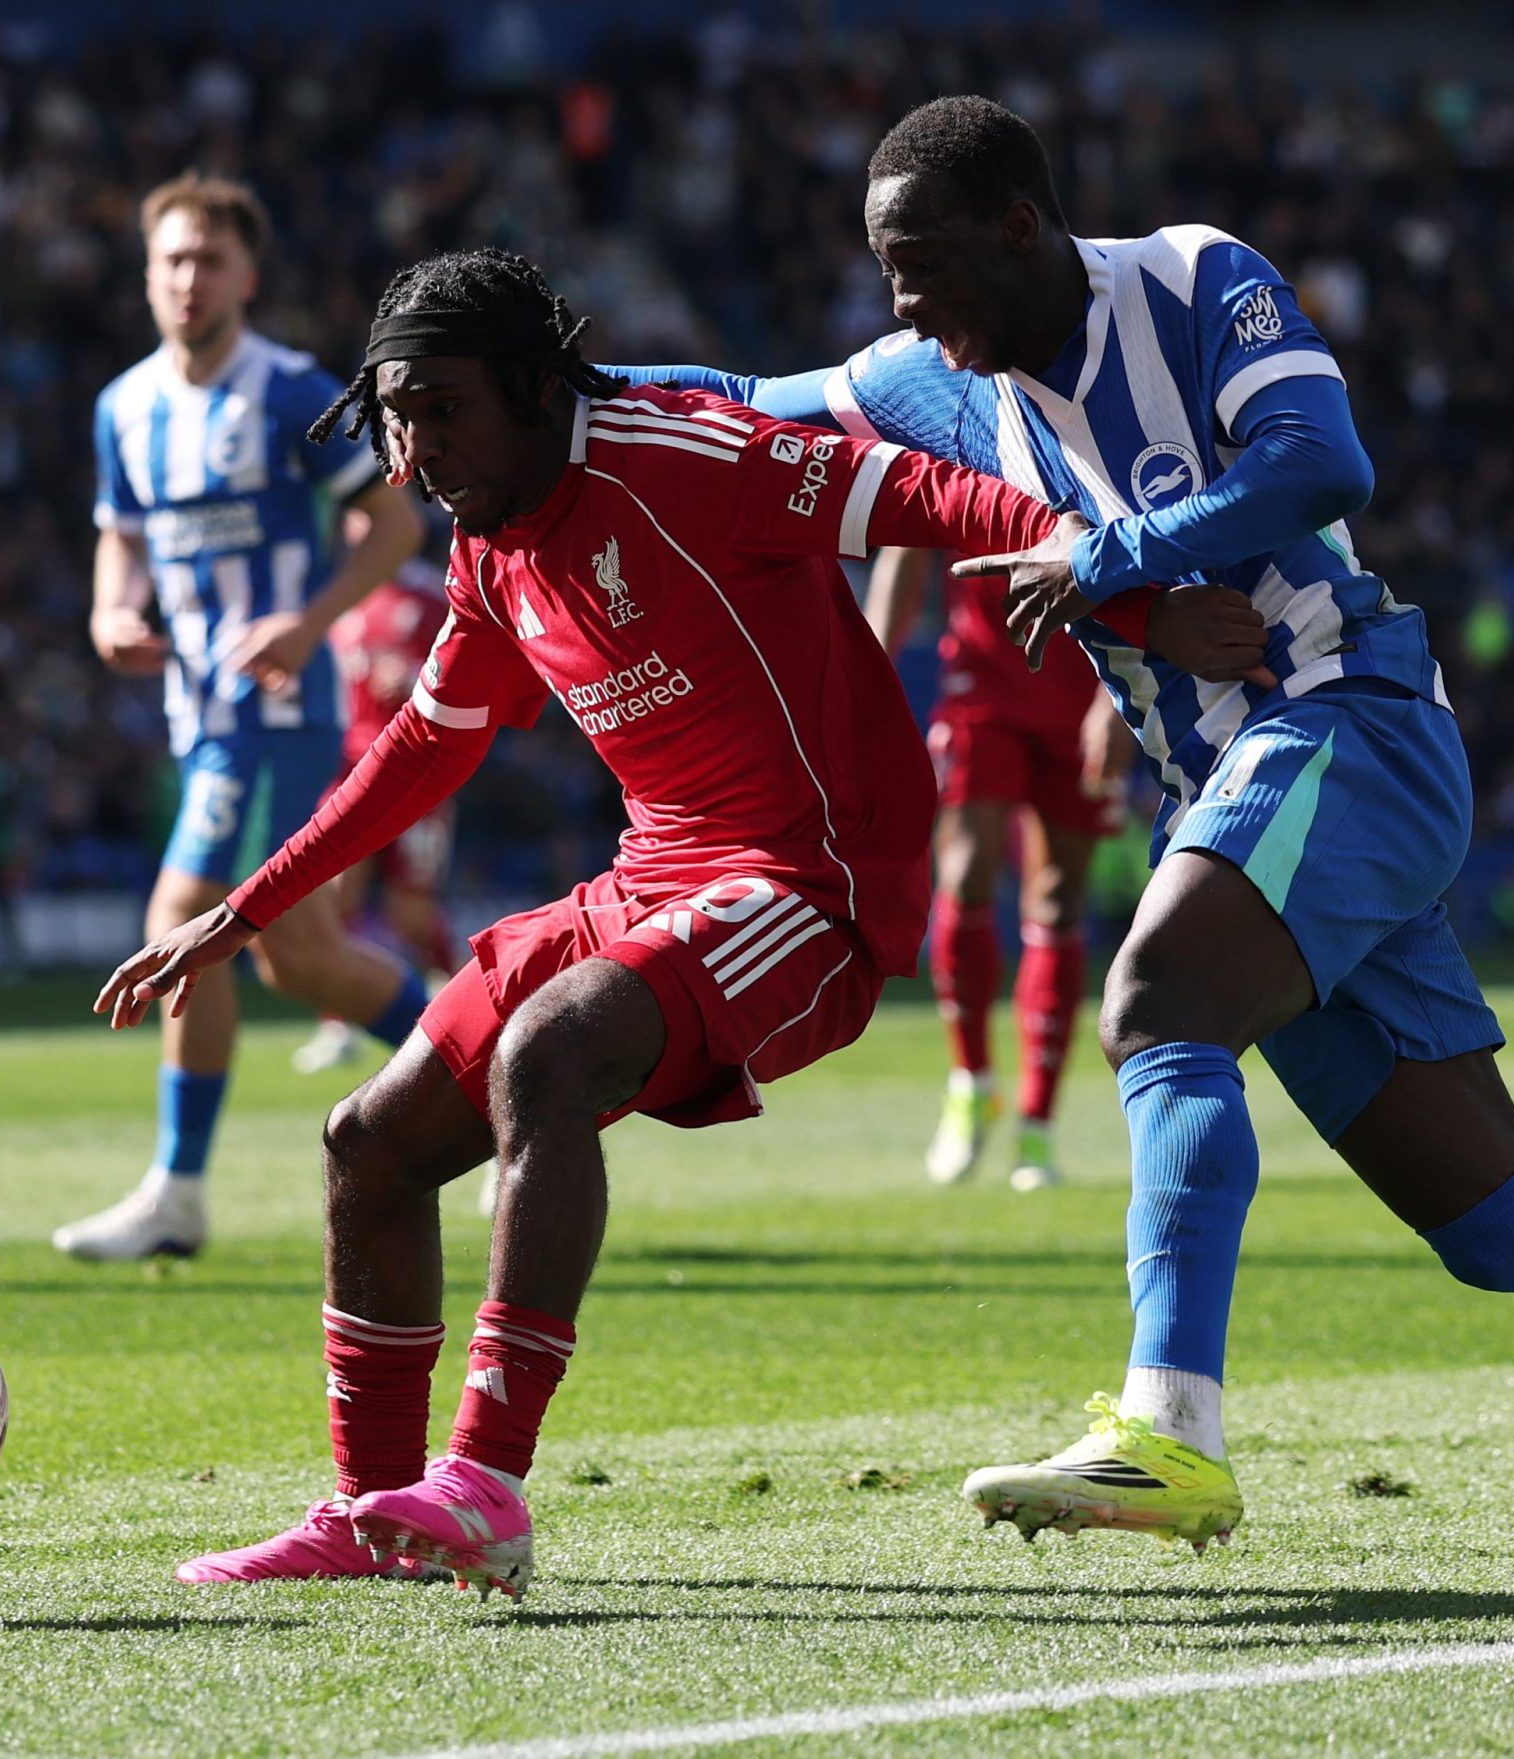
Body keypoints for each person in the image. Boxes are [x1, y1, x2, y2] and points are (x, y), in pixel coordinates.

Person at [616, 96, 1514, 1545]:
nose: (903, 301)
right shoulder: (935, 378)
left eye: (918, 262)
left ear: (1019, 225)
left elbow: (1319, 464)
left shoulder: (1191, 277)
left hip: (1351, 723)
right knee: (1503, 1230)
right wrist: (557, 379)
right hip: (1245, 788)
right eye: (884, 271)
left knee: (1161, 993)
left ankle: (1168, 1427)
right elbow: (737, 394)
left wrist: (1124, 550)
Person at [94, 246, 1076, 1598]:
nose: (415, 449)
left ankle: (484, 1482)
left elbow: (915, 487)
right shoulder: (489, 544)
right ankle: (375, 1508)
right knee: (368, 1143)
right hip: (656, 871)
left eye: (442, 409)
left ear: (531, 388)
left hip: (813, 879)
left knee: (548, 1053)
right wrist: (241, 910)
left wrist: (1091, 548)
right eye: (397, 417)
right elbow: (423, 748)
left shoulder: (684, 454)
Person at [54, 175, 429, 1263]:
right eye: (171, 259)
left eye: (208, 261)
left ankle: (175, 1190)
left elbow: (393, 521)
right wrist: (106, 608)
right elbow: (118, 531)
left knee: (186, 915)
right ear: (147, 274)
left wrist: (309, 626)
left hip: (277, 712)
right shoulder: (123, 406)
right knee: (297, 959)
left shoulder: (291, 390)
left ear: (245, 278)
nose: (187, 279)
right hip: (197, 711)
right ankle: (496, 1079)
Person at [864, 544, 1124, 1189]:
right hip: (982, 683)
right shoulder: (957, 440)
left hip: (1083, 687)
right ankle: (972, 1081)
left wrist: (1118, 693)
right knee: (967, 870)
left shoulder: (1092, 446)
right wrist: (866, 673)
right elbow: (905, 550)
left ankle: (1037, 1125)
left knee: (1059, 899)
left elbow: (1142, 552)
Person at [291, 541, 466, 1079]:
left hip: (413, 768)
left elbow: (466, 664)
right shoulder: (336, 597)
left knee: (408, 914)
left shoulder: (429, 594)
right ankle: (337, 1025)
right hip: (347, 771)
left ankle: (472, 999)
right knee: (333, 892)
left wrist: (415, 679)